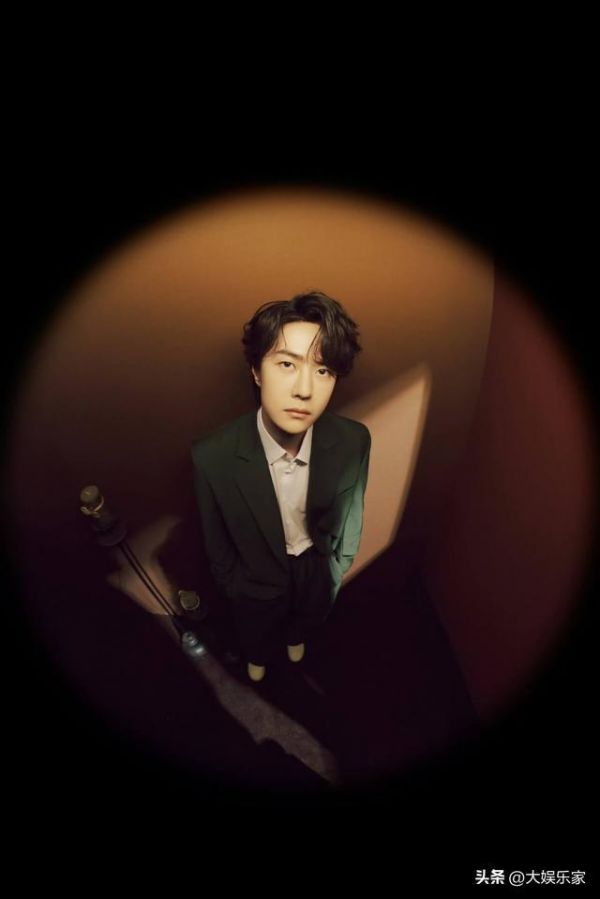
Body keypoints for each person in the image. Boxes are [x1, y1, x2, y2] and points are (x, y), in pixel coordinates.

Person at [191, 290, 370, 683]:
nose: (305, 389)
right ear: (257, 371)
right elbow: (216, 541)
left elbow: (354, 511)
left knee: (307, 616)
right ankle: (257, 654)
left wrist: (338, 567)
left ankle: (295, 638)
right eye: (287, 364)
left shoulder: (354, 441)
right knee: (255, 626)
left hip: (316, 567)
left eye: (323, 370)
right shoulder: (211, 456)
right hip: (255, 578)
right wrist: (236, 586)